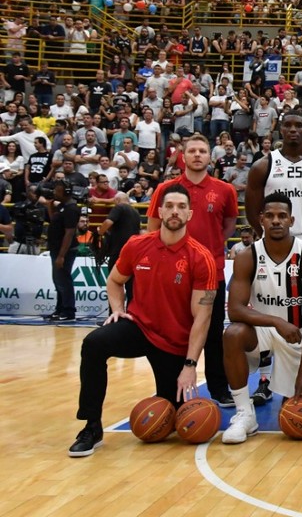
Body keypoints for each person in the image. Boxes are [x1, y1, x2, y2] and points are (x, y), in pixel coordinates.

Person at [68, 184, 217, 457]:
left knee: (171, 421)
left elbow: (202, 318)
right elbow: (115, 281)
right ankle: (91, 426)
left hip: (174, 342)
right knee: (93, 344)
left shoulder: (201, 258)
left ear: (190, 214)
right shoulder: (137, 245)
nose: (174, 211)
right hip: (138, 327)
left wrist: (190, 366)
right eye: (169, 206)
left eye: (181, 207)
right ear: (159, 211)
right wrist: (117, 308)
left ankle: (170, 396)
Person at [221, 192, 302, 444]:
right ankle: (245, 414)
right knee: (232, 333)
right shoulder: (247, 256)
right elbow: (234, 310)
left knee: (294, 421)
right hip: (267, 329)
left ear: (292, 220)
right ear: (261, 220)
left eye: (282, 216)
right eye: (269, 216)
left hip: (301, 333)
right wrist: (276, 322)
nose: (276, 221)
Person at [146, 134, 238, 407]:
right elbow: (153, 227)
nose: (198, 155)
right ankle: (170, 387)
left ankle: (219, 387)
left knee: (212, 331)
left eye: (203, 151)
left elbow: (230, 223)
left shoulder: (225, 190)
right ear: (182, 156)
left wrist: (209, 248)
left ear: (210, 157)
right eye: (192, 151)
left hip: (211, 275)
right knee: (172, 330)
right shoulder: (166, 189)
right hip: (174, 275)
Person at [247, 112, 302, 255]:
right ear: (280, 129)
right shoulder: (262, 166)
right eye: (287, 125)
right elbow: (252, 212)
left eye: (299, 125)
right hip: (272, 240)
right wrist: (267, 233)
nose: (293, 129)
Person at [44, 178, 79, 321]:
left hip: (65, 250)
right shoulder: (62, 206)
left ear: (66, 192)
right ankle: (59, 309)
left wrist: (61, 256)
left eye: (57, 190)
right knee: (57, 280)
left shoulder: (72, 209)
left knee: (63, 280)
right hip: (56, 248)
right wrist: (49, 207)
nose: (54, 192)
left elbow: (69, 233)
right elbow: (55, 221)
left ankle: (69, 311)